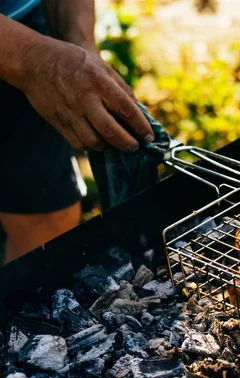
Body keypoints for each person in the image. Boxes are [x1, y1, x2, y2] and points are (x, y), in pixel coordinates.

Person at [0, 0, 154, 263]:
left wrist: (79, 44)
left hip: (21, 20)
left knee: (46, 219)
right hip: (27, 51)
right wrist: (33, 59)